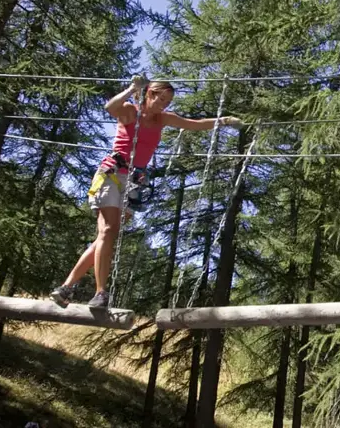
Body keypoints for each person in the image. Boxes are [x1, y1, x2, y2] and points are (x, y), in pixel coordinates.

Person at [50, 76, 242, 309]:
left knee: (106, 237)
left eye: (168, 101)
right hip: (112, 173)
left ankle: (67, 287)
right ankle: (100, 292)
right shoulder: (131, 111)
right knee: (108, 230)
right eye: (161, 98)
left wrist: (223, 121)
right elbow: (110, 107)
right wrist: (133, 88)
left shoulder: (163, 119)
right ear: (149, 94)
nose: (164, 104)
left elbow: (195, 123)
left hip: (134, 181)